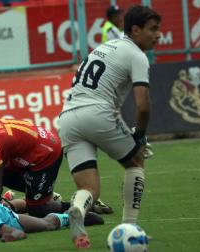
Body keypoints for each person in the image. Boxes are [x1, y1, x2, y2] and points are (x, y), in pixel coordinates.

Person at [58, 5, 161, 249]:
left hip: (67, 117)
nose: (158, 35)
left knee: (89, 188)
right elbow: (143, 106)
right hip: (98, 113)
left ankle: (77, 210)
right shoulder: (137, 55)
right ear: (135, 30)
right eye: (153, 29)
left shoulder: (103, 47)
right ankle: (130, 229)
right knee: (136, 161)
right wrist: (140, 135)